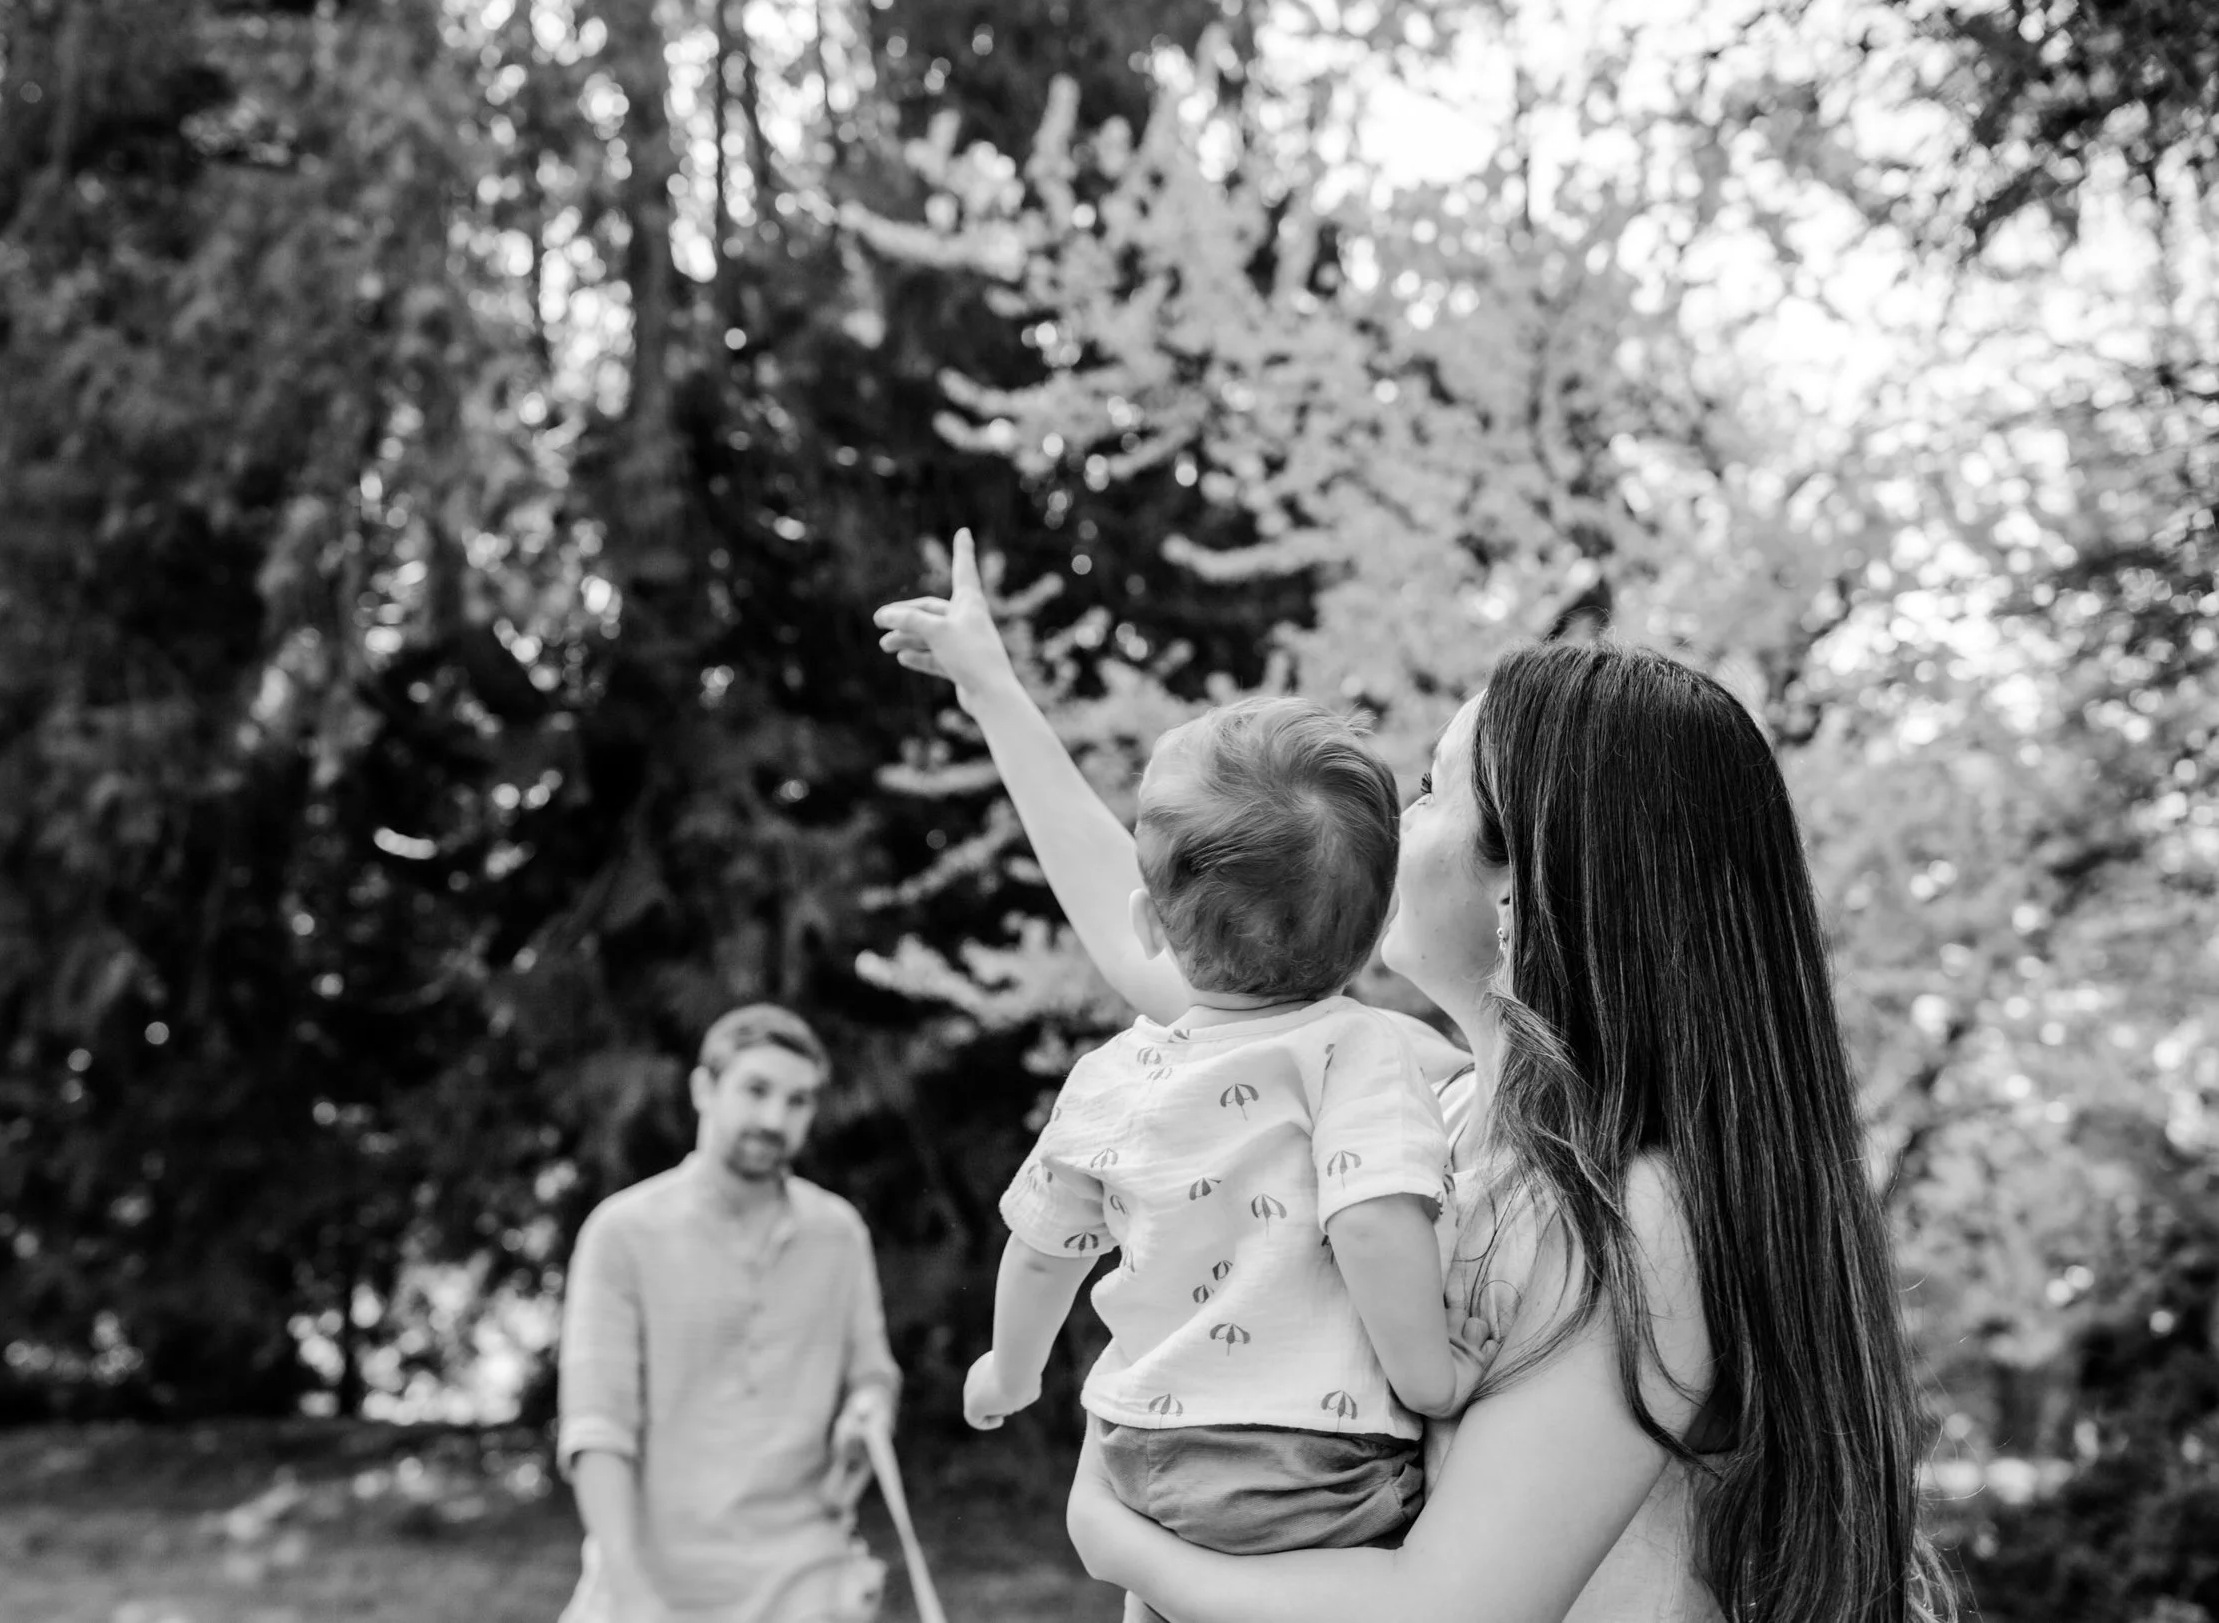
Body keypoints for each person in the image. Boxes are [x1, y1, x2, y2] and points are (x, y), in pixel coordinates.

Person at [874, 532, 1955, 1623]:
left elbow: (1444, 1609)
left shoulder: (1637, 1215)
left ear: (1516, 892)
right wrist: (994, 692)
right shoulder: (1420, 1101)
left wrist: (1116, 1538)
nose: (1394, 823)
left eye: (1432, 791)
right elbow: (1163, 933)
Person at [963, 696, 1477, 1623]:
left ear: (1149, 925)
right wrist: (1428, 1376)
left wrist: (1009, 1369)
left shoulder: (1111, 1073)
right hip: (1308, 1460)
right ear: (1371, 935)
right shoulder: (1361, 1050)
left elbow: (1042, 1251)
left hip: (1142, 1453)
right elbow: (1371, 1222)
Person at [556, 1004, 902, 1623]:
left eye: (797, 1101)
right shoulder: (622, 1232)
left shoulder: (839, 1233)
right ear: (704, 1089)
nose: (774, 1119)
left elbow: (872, 1373)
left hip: (807, 1579)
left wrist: (867, 1410)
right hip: (655, 1585)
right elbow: (597, 1428)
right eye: (756, 1090)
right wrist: (631, 1594)